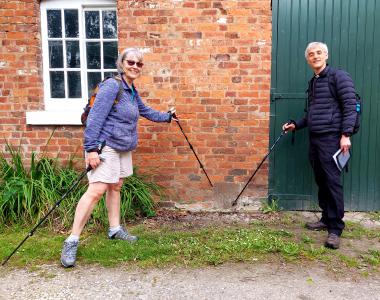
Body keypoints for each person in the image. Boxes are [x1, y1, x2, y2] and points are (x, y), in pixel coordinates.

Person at [61, 48, 177, 267]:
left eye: (139, 64)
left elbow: (145, 110)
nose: (135, 66)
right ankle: (72, 240)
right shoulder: (112, 86)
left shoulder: (131, 90)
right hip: (105, 146)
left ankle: (114, 229)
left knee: (116, 186)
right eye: (130, 62)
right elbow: (94, 118)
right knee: (96, 190)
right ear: (121, 63)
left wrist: (167, 117)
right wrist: (91, 149)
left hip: (123, 147)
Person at [282, 42, 357, 249]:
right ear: (308, 59)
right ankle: (326, 218)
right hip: (315, 139)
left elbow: (351, 106)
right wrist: (296, 125)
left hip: (332, 138)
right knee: (321, 180)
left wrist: (346, 135)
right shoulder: (313, 82)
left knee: (332, 182)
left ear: (326, 55)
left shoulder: (338, 77)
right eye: (311, 54)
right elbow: (312, 114)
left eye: (319, 53)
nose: (315, 56)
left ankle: (335, 229)